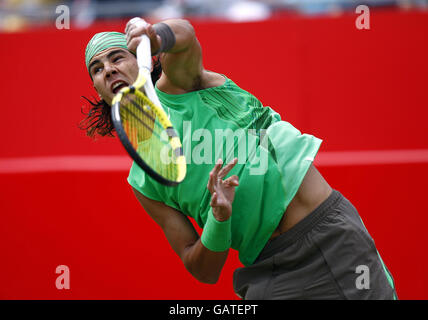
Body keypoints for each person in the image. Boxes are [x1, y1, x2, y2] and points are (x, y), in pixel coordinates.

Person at [81, 18, 397, 299]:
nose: (108, 69)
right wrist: (219, 221)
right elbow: (202, 269)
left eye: (116, 57)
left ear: (141, 58)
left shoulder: (181, 82)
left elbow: (186, 35)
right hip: (267, 271)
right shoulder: (143, 178)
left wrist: (155, 34)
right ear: (98, 89)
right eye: (97, 68)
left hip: (325, 237)